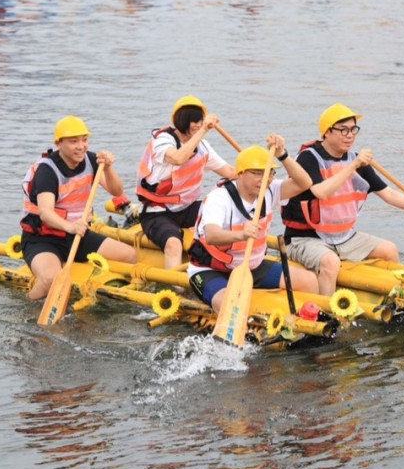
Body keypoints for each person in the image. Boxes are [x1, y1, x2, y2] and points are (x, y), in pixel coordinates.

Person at [282, 103, 404, 296]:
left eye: (353, 129)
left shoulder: (356, 160)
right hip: (305, 239)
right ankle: (325, 313)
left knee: (389, 250)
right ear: (327, 132)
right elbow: (321, 192)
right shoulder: (308, 158)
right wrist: (354, 165)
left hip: (344, 237)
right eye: (343, 130)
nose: (350, 135)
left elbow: (388, 194)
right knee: (330, 262)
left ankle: (396, 299)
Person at [187, 135, 318, 313]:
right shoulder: (219, 198)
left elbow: (305, 183)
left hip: (251, 266)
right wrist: (240, 234)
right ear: (240, 174)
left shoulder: (270, 190)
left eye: (269, 173)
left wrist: (282, 155)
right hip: (211, 270)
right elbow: (211, 235)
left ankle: (306, 322)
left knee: (309, 281)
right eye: (257, 174)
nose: (265, 180)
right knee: (228, 305)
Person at [20, 116, 137, 301]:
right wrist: (70, 227)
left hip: (78, 235)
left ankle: (115, 299)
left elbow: (117, 191)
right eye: (73, 141)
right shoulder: (47, 171)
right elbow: (45, 213)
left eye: (84, 140)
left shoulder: (91, 161)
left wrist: (107, 168)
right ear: (59, 143)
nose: (81, 146)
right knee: (51, 279)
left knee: (129, 255)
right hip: (42, 238)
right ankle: (27, 308)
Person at [136, 95, 237, 269]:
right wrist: (203, 131)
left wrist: (256, 171)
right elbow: (177, 158)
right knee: (174, 245)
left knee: (230, 219)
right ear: (182, 120)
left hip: (186, 209)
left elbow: (229, 171)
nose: (198, 124)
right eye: (193, 120)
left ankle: (229, 264)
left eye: (200, 120)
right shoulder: (163, 140)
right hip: (157, 212)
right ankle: (177, 288)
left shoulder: (203, 147)